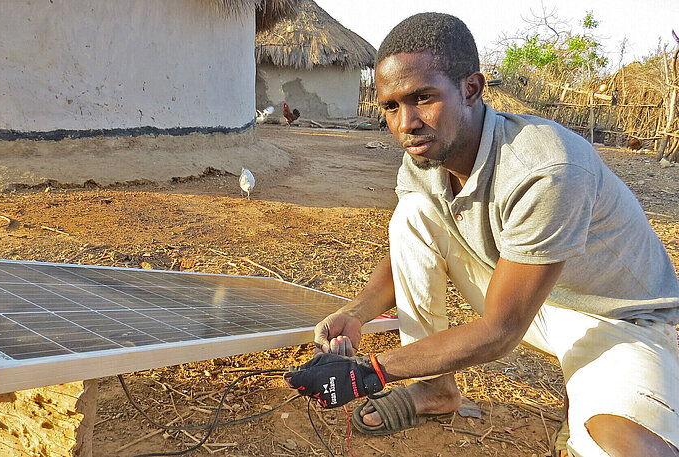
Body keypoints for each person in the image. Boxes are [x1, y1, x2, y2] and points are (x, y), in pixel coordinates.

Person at [284, 12, 679, 457]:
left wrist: (368, 372)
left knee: (612, 442)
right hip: (520, 287)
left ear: (471, 89)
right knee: (412, 213)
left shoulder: (546, 170)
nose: (406, 122)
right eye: (391, 106)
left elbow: (501, 330)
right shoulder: (426, 155)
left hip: (613, 317)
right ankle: (435, 389)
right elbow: (409, 246)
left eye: (423, 97)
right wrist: (358, 313)